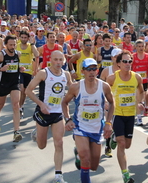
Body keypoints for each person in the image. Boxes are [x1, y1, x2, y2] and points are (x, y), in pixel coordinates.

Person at [62, 58, 114, 183]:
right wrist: (68, 119)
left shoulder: (104, 86)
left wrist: (108, 122)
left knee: (94, 165)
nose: (92, 72)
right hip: (81, 127)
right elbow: (64, 102)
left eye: (94, 69)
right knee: (86, 158)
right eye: (88, 69)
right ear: (83, 71)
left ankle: (78, 153)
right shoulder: (76, 87)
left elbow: (112, 103)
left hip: (97, 127)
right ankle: (81, 155)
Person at [25, 51, 72, 183]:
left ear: (64, 61)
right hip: (43, 113)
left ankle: (58, 175)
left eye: (60, 60)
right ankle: (37, 131)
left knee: (59, 143)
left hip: (57, 113)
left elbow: (73, 89)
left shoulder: (66, 75)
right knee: (42, 146)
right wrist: (41, 104)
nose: (58, 62)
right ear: (50, 60)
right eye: (55, 60)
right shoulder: (43, 73)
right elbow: (28, 90)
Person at [106, 50, 145, 183]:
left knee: (127, 145)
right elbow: (104, 92)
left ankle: (114, 138)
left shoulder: (137, 77)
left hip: (130, 115)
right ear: (118, 64)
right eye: (125, 61)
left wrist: (140, 102)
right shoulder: (112, 78)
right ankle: (125, 174)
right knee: (122, 143)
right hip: (117, 114)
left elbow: (141, 91)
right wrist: (107, 103)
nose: (128, 64)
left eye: (130, 61)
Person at [0, 35, 25, 142]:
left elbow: (17, 67)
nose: (13, 47)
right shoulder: (1, 55)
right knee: (0, 105)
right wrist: (1, 69)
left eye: (14, 44)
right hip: (3, 84)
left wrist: (20, 69)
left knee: (16, 105)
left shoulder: (18, 54)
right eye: (10, 45)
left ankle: (16, 132)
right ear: (6, 45)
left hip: (15, 83)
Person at [17, 30, 39, 118]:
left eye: (25, 37)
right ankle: (18, 108)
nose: (23, 39)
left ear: (28, 38)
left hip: (28, 72)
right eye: (22, 37)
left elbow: (37, 55)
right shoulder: (16, 46)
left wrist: (32, 43)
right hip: (19, 71)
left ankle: (21, 107)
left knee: (25, 92)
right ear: (19, 38)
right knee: (21, 89)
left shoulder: (30, 46)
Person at [132, 39, 148, 124]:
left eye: (142, 46)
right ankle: (139, 117)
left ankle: (139, 110)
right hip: (135, 80)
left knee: (142, 98)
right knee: (138, 98)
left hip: (144, 81)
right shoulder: (133, 56)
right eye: (139, 46)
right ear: (136, 47)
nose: (141, 48)